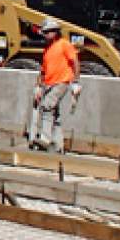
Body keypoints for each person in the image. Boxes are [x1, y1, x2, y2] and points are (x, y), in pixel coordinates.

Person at [29, 17, 81, 152]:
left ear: (55, 32)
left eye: (48, 32)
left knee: (47, 106)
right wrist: (39, 86)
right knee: (54, 115)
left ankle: (45, 139)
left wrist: (75, 81)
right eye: (45, 32)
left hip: (62, 82)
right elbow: (43, 71)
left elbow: (75, 62)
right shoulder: (47, 49)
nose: (46, 35)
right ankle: (59, 146)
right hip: (49, 84)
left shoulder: (64, 44)